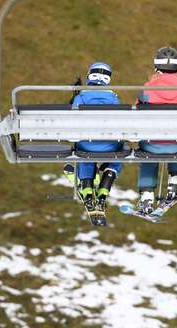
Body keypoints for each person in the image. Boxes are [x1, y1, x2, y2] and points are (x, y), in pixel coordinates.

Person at [135, 46, 177, 215]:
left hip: (151, 144)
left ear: (157, 66)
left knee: (148, 149)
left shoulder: (147, 87)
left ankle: (147, 195)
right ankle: (175, 180)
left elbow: (137, 114)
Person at [68, 62, 124, 224]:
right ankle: (103, 194)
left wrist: (74, 96)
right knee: (116, 155)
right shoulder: (113, 98)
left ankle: (87, 190)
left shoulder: (81, 97)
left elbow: (72, 120)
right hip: (110, 145)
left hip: (86, 144)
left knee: (85, 152)